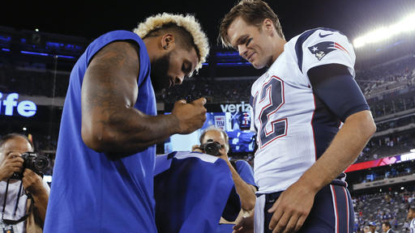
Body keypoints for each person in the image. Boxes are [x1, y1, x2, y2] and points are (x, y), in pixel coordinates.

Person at [218, 1, 376, 233]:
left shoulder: (305, 46)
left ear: (268, 25)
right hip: (270, 207)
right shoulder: (257, 87)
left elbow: (361, 122)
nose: (241, 51)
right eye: (236, 46)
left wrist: (306, 187)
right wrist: (262, 214)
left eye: (245, 40)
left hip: (314, 196)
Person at [43, 13, 210, 233]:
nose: (181, 79)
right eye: (185, 66)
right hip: (101, 222)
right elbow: (103, 128)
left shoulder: (141, 85)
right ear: (167, 41)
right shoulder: (125, 47)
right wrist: (176, 122)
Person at [197, 126, 257, 233]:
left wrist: (226, 165)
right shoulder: (195, 169)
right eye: (210, 144)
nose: (214, 148)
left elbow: (250, 203)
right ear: (202, 148)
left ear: (226, 147)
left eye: (219, 144)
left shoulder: (239, 166)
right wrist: (194, 159)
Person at [0, 134, 50, 233]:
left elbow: (57, 222)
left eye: (25, 156)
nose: (19, 161)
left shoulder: (37, 184)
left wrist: (39, 193)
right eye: (12, 156)